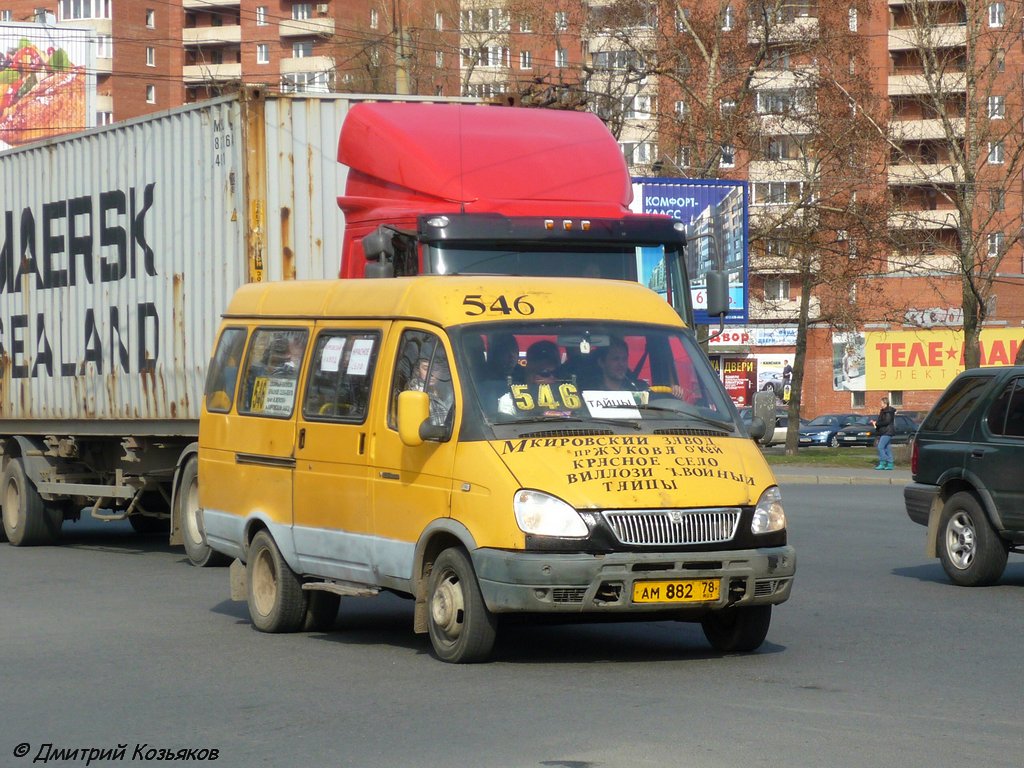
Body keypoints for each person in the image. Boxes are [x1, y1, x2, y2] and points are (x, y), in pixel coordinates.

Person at [497, 340, 560, 416]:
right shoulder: (509, 401)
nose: (552, 378)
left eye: (555, 373)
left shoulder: (569, 400)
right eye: (544, 373)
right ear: (527, 373)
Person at [875, 396, 897, 470]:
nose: (880, 404)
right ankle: (890, 465)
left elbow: (887, 421)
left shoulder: (888, 411)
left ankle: (884, 461)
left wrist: (878, 423)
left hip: (887, 431)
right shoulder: (883, 411)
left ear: (885, 403)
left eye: (881, 402)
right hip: (884, 431)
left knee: (880, 447)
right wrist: (876, 423)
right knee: (887, 448)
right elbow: (882, 420)